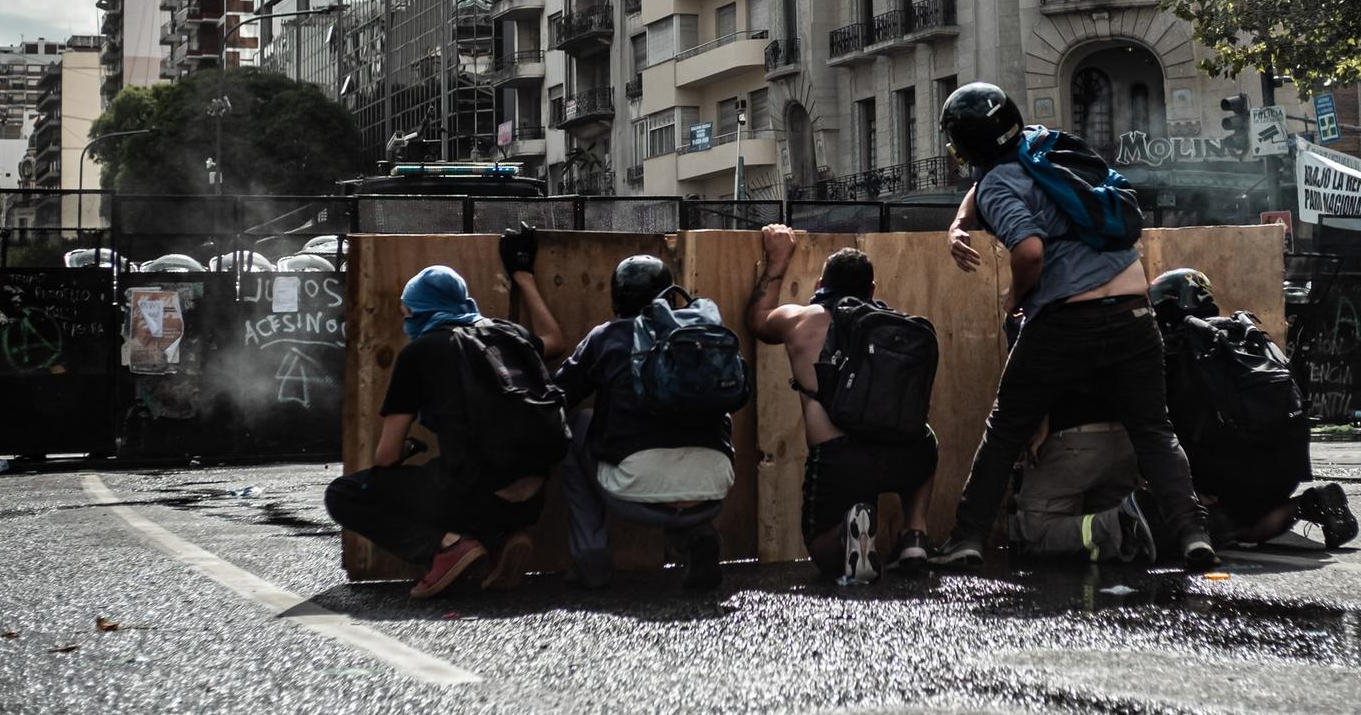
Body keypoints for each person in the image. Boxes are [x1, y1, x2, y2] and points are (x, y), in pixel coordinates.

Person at [931, 81, 1215, 570]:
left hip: (1067, 317)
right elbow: (983, 188)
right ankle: (1193, 535)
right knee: (1153, 429)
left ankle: (967, 539)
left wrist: (1015, 298)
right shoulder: (1045, 144)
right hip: (1133, 308)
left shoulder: (999, 183)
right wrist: (959, 224)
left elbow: (1029, 251)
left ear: (966, 145)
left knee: (1006, 430)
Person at [324, 250, 565, 599]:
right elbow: (554, 340)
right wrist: (523, 277)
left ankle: (447, 546)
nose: (406, 320)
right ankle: (500, 541)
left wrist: (407, 449)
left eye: (407, 312)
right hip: (532, 501)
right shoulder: (509, 334)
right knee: (461, 473)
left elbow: (386, 457)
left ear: (421, 311)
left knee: (343, 494)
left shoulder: (420, 352)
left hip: (471, 497)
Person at [529, 252, 733, 592]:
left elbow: (558, 395)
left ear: (616, 299)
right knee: (699, 423)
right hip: (713, 488)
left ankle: (591, 559)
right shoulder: (701, 334)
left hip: (636, 490)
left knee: (576, 425)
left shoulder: (607, 337)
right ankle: (695, 535)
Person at [746, 224, 939, 583]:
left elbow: (758, 321)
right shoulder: (897, 327)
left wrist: (777, 263)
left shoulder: (799, 321)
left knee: (820, 546)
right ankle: (914, 534)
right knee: (927, 441)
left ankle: (846, 535)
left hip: (838, 457)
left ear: (820, 284)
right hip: (904, 452)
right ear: (872, 290)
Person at [1151, 268, 1357, 550]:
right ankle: (1309, 502)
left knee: (1231, 528)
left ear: (1167, 304)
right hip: (1286, 467)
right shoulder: (1242, 333)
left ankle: (1218, 517)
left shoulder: (1176, 348)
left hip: (1225, 474)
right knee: (1251, 522)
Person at [1004, 387, 1158, 564]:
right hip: (1124, 441)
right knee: (1108, 541)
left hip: (1071, 441)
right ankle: (1140, 525)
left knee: (1035, 535)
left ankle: (1124, 523)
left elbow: (1033, 380)